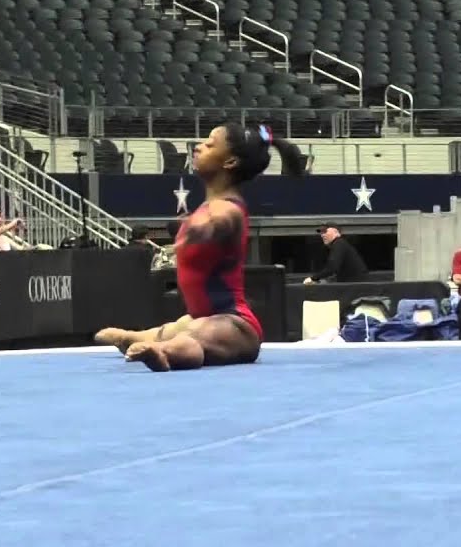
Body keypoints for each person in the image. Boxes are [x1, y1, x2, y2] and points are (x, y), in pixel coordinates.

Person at [94, 123, 306, 371]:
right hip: (201, 318)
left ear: (230, 162)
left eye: (209, 144)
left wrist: (202, 230)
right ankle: (132, 338)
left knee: (192, 334)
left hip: (236, 326)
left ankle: (163, 353)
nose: (198, 146)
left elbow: (222, 223)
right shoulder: (207, 207)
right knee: (178, 326)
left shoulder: (228, 209)